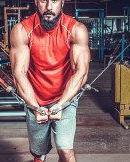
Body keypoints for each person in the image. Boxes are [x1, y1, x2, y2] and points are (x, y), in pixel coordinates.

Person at [9, 0, 91, 161]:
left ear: (62, 2)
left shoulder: (76, 29)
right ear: (36, 2)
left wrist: (61, 104)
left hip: (65, 98)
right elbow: (19, 73)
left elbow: (81, 72)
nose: (48, 7)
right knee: (38, 152)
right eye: (43, 1)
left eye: (54, 1)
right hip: (35, 98)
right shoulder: (21, 30)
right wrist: (35, 107)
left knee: (66, 152)